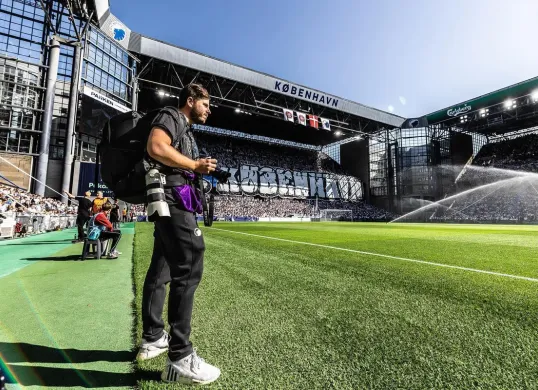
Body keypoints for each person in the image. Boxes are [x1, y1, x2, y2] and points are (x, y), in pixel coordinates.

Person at [137, 84, 220, 384]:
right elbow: (156, 147)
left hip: (166, 198)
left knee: (162, 267)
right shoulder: (172, 115)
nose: (209, 110)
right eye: (205, 104)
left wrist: (198, 170)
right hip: (171, 197)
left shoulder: (185, 128)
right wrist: (195, 165)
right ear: (190, 101)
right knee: (190, 261)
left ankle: (153, 337)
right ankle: (180, 356)